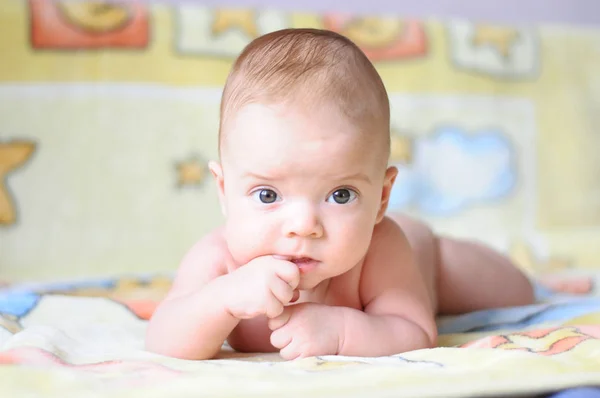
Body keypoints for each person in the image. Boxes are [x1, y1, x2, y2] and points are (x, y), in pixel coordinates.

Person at [145, 28, 534, 361]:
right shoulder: (218, 261)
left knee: (516, 291)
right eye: (267, 195)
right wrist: (222, 301)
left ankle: (507, 269)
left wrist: (342, 331)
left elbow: (414, 332)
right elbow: (163, 340)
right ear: (225, 192)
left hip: (425, 256)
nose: (303, 226)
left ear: (381, 199)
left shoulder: (380, 250)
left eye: (341, 195)